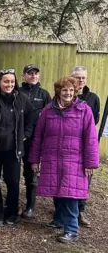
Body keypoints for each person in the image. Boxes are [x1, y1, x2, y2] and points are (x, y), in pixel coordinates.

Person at [29, 76, 99, 243]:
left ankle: (72, 230)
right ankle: (59, 220)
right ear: (58, 91)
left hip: (74, 160)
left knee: (70, 196)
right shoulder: (48, 111)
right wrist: (34, 160)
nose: (67, 93)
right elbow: (38, 136)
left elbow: (91, 138)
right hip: (52, 158)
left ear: (75, 92)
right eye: (64, 90)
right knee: (57, 192)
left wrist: (91, 162)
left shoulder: (84, 110)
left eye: (71, 90)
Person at [0, 69, 35, 227]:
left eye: (11, 82)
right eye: (6, 81)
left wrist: (27, 133)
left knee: (13, 182)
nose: (9, 84)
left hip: (14, 150)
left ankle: (11, 213)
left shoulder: (21, 99)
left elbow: (32, 117)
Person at [18, 64, 51, 219]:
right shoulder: (17, 91)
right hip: (17, 139)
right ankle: (11, 202)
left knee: (31, 174)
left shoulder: (44, 95)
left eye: (35, 74)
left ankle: (30, 206)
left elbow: (49, 118)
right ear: (24, 75)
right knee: (12, 173)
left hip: (34, 141)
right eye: (30, 73)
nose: (33, 76)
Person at [70, 66, 100, 227]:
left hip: (85, 145)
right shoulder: (65, 95)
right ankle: (62, 211)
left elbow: (94, 120)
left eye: (83, 78)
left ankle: (80, 211)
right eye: (77, 77)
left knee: (85, 179)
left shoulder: (93, 98)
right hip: (69, 147)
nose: (81, 80)